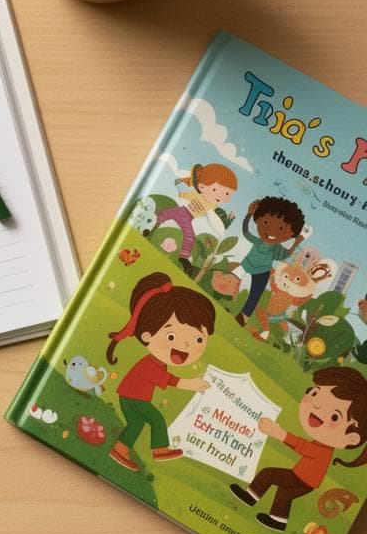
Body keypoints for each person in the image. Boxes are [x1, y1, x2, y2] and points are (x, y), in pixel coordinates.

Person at [230, 367, 367, 531]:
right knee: (284, 494)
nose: (316, 407)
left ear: (351, 439)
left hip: (303, 479)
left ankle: (252, 498)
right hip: (303, 478)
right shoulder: (322, 442)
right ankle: (277, 520)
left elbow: (304, 448)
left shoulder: (324, 449)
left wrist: (280, 434)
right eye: (314, 393)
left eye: (335, 416)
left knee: (269, 475)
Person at [106, 272, 213, 472]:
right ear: (146, 335)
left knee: (136, 424)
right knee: (156, 419)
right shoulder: (151, 363)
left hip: (130, 396)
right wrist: (190, 383)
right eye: (171, 335)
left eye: (199, 339)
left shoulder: (158, 362)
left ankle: (119, 449)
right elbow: (168, 380)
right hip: (132, 397)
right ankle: (160, 449)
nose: (186, 346)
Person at [148, 163, 237, 275]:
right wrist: (183, 182)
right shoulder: (197, 195)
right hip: (182, 211)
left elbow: (214, 219)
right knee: (163, 214)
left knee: (189, 236)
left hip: (189, 218)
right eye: (215, 189)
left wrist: (228, 220)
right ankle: (149, 229)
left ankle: (184, 258)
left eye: (227, 193)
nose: (220, 195)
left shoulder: (213, 206)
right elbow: (182, 193)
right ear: (202, 186)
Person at [234, 196, 306, 326]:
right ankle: (224, 296)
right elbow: (245, 232)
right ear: (259, 220)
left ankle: (243, 316)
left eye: (281, 229)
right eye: (266, 223)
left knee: (255, 295)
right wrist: (249, 215)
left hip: (262, 272)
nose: (272, 231)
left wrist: (296, 242)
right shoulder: (258, 241)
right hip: (246, 265)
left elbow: (287, 253)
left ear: (292, 233)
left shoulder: (276, 249)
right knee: (233, 277)